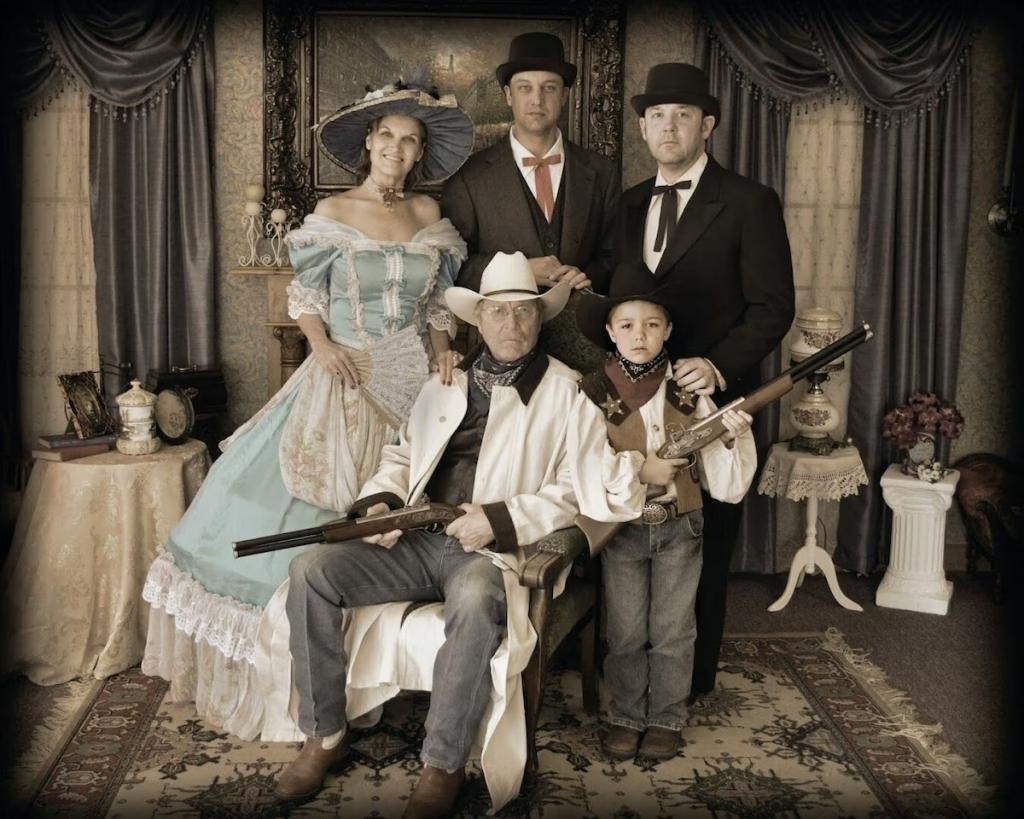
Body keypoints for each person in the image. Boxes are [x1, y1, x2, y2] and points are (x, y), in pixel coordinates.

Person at [140, 83, 473, 737]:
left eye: (410, 141)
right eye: (387, 136)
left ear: (419, 152)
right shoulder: (333, 211)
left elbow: (437, 306)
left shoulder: (430, 213)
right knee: (315, 512)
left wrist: (442, 354)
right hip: (340, 375)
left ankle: (381, 673)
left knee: (395, 518)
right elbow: (307, 297)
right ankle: (298, 686)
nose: (397, 149)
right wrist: (320, 347)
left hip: (411, 388)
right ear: (369, 142)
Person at [274, 251, 639, 818]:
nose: (511, 324)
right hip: (418, 539)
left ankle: (442, 763)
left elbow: (576, 489)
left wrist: (497, 519)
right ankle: (324, 735)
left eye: (523, 312)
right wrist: (381, 503)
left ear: (540, 318)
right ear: (478, 319)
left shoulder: (571, 392)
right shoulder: (445, 380)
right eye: (497, 312)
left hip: (491, 551)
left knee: (473, 597)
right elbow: (402, 455)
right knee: (311, 571)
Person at [614, 63, 795, 698]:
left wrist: (716, 364)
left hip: (716, 401)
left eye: (683, 116)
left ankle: (689, 684)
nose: (669, 128)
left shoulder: (749, 201)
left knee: (706, 542)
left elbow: (772, 308)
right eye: (657, 117)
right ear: (643, 128)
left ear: (707, 125)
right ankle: (630, 677)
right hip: (638, 401)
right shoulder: (627, 203)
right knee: (633, 536)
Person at [572, 262, 756, 761]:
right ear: (610, 330)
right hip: (624, 530)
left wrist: (732, 436)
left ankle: (667, 717)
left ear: (668, 331)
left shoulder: (689, 389)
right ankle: (626, 714)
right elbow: (585, 464)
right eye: (628, 325)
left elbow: (721, 473)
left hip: (682, 526)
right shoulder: (594, 392)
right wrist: (641, 470)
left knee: (675, 630)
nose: (640, 335)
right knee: (626, 631)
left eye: (652, 324)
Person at [442, 31, 620, 369]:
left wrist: (585, 275)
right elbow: (455, 266)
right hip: (502, 346)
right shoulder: (470, 177)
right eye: (525, 88)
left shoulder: (601, 172)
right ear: (508, 95)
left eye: (549, 88)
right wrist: (521, 270)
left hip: (584, 345)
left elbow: (614, 257)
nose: (537, 99)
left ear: (564, 95)